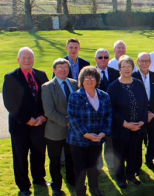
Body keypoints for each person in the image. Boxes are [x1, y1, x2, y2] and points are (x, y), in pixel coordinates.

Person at [3, 47, 49, 196]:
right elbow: (10, 103)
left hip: (39, 125)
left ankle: (39, 179)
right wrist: (27, 120)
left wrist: (43, 116)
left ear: (33, 60)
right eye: (24, 58)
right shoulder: (10, 77)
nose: (27, 61)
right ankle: (23, 186)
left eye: (30, 58)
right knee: (20, 156)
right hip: (20, 126)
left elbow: (47, 99)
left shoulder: (41, 75)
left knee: (38, 154)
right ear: (18, 60)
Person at [67, 66, 112, 196]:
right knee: (80, 168)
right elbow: (73, 119)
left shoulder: (104, 96)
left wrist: (103, 133)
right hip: (79, 140)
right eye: (87, 78)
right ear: (82, 80)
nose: (90, 80)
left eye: (93, 78)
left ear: (97, 80)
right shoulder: (75, 96)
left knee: (93, 167)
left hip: (97, 139)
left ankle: (94, 189)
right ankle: (81, 191)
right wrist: (86, 134)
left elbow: (109, 116)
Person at [107, 55, 148, 189]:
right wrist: (125, 123)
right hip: (121, 129)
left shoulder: (138, 83)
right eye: (123, 67)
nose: (126, 69)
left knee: (133, 152)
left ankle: (131, 175)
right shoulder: (113, 87)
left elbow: (144, 103)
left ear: (132, 68)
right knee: (120, 154)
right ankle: (121, 178)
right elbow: (111, 109)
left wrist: (141, 121)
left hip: (137, 127)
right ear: (119, 69)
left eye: (129, 66)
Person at [42, 58, 78, 196]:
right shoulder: (47, 87)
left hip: (72, 132)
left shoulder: (75, 84)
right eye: (60, 68)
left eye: (65, 68)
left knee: (71, 158)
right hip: (54, 132)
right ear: (54, 70)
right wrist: (66, 122)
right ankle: (56, 186)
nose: (63, 70)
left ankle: (72, 180)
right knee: (55, 161)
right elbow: (49, 111)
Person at [132, 52, 154, 170]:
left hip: (153, 116)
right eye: (142, 61)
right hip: (138, 116)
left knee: (153, 140)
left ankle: (149, 160)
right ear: (137, 62)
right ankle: (137, 165)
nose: (144, 63)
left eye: (146, 61)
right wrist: (144, 114)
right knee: (138, 141)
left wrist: (153, 113)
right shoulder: (132, 77)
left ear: (150, 63)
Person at [94, 48, 120, 170]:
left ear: (109, 59)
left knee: (110, 139)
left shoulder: (115, 72)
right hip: (96, 113)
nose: (103, 59)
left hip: (112, 113)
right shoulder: (91, 73)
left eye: (106, 57)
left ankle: (110, 163)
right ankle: (98, 164)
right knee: (97, 139)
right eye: (100, 57)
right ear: (96, 59)